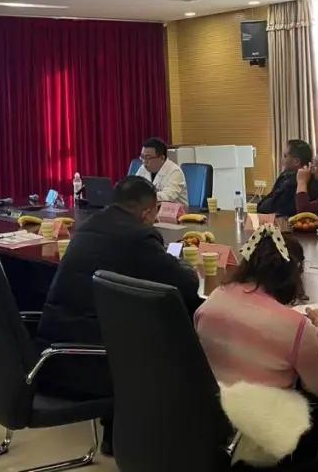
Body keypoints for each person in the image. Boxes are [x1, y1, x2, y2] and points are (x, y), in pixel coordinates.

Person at [37, 176, 200, 450]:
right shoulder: (138, 235)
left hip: (53, 352)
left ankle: (117, 433)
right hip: (91, 362)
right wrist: (182, 264)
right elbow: (186, 285)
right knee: (176, 326)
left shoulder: (91, 225)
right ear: (148, 212)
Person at [195, 225, 318, 402]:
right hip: (267, 417)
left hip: (212, 410)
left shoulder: (212, 301)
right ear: (295, 272)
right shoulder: (296, 327)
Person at [258, 140, 318, 217]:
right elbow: (271, 196)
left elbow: (268, 207)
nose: (282, 160)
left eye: (285, 156)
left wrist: (261, 205)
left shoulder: (293, 182)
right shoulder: (286, 174)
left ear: (296, 161)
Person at [135, 137, 188, 206]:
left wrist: (143, 196)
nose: (144, 161)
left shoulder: (175, 171)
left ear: (162, 158)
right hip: (150, 209)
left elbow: (168, 196)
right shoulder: (143, 168)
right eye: (142, 157)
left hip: (174, 211)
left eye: (148, 157)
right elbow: (134, 187)